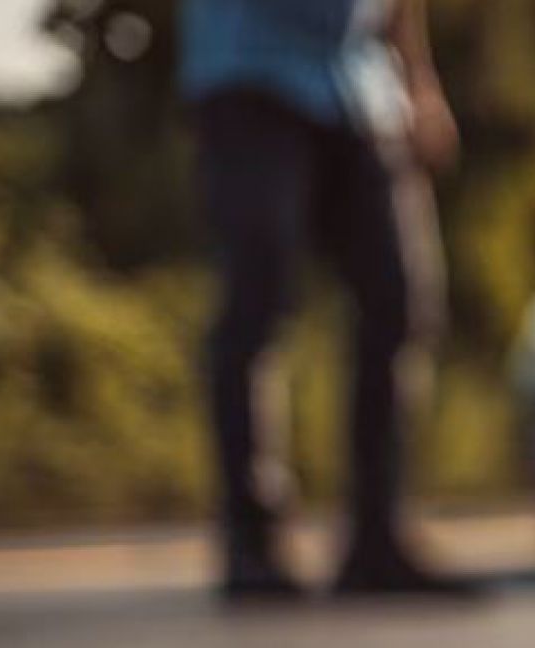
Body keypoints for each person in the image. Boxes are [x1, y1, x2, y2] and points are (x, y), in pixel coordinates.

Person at [182, 0, 474, 597]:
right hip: (250, 78)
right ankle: (252, 540)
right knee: (257, 303)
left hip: (363, 84)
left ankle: (377, 538)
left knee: (399, 303)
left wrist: (420, 80)